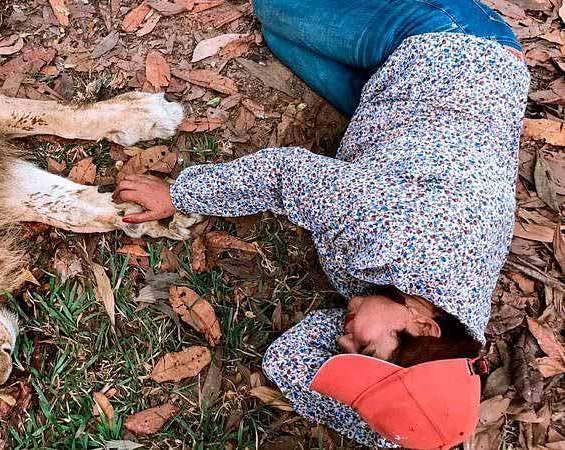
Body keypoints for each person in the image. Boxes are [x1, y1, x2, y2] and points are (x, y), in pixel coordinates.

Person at [114, 0, 529, 446]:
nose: (342, 344)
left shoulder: (454, 328)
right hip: (454, 42)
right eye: (364, 351)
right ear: (425, 326)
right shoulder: (393, 233)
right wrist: (177, 195)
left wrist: (390, 427)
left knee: (280, 40)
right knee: (273, 13)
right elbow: (284, 176)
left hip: (419, 106)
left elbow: (289, 361)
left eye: (349, 361)